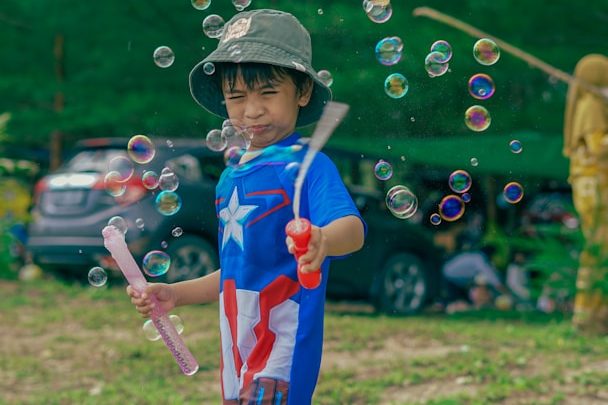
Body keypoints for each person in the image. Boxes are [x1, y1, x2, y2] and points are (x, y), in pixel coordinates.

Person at [127, 9, 366, 404]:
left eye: (268, 93)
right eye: (237, 97)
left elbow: (352, 230)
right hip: (237, 338)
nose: (252, 110)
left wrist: (323, 239)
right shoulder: (230, 177)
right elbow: (237, 270)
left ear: (302, 92)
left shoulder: (306, 166)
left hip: (282, 337)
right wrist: (176, 294)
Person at [563, 54, 608, 334]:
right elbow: (599, 148)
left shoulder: (592, 104)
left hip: (591, 187)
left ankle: (595, 314)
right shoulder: (591, 105)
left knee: (598, 250)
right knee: (599, 249)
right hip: (596, 189)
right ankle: (591, 317)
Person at [441, 244, 510, 312]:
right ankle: (445, 308)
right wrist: (500, 286)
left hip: (451, 274)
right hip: (451, 276)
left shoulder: (474, 255)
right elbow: (488, 272)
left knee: (460, 298)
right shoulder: (479, 258)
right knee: (455, 299)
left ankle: (448, 307)